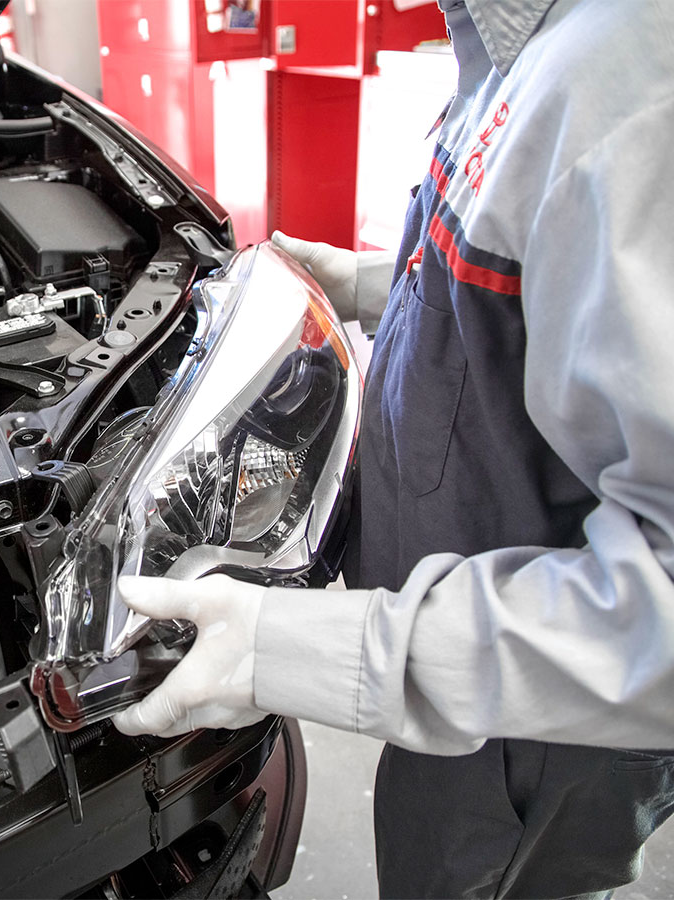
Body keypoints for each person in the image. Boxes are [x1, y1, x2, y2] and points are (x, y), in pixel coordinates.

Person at [111, 0, 674, 895]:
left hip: (535, 732)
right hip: (457, 690)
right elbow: (523, 294)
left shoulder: (632, 97)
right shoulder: (513, 44)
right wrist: (374, 281)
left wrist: (297, 652)